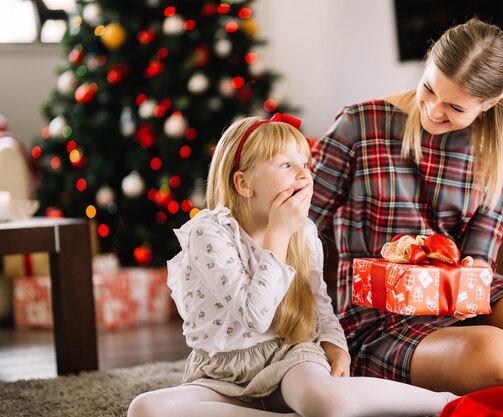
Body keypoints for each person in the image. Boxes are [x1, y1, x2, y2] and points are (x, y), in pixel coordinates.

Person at [309, 17, 503, 396]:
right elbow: (296, 227)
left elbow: (479, 261)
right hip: (378, 319)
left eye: (455, 107)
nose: (433, 111)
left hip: (465, 297)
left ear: (489, 104)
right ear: (427, 63)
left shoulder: (499, 153)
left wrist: (467, 273)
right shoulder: (358, 126)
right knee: (502, 360)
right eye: (429, 89)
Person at [127, 114, 457, 417]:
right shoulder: (209, 232)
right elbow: (255, 316)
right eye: (286, 165)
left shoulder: (304, 232)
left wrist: (335, 347)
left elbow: (319, 306)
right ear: (244, 184)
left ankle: (444, 402)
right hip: (221, 373)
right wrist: (278, 232)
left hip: (290, 359)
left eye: (305, 164)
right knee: (146, 409)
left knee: (328, 401)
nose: (303, 174)